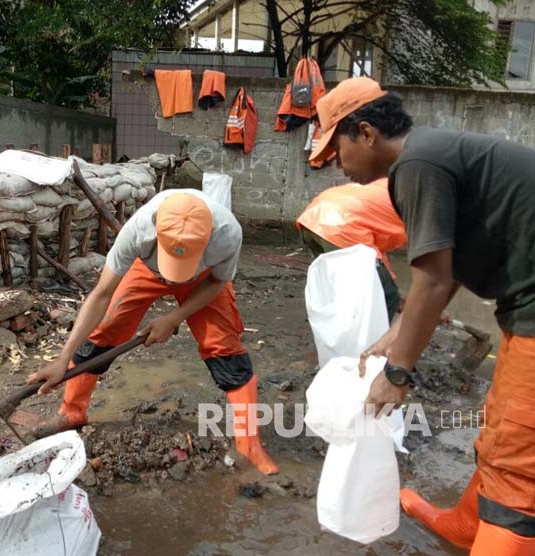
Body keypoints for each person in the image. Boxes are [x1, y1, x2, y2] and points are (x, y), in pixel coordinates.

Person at [309, 76, 535, 554]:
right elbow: (446, 269)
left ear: (366, 133)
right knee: (502, 425)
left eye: (337, 149)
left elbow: (431, 280)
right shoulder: (429, 155)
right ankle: (468, 527)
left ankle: (500, 534)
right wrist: (398, 331)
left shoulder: (416, 166)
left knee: (518, 458)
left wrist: (398, 372)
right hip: (524, 306)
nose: (336, 165)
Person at [26, 189, 278, 475]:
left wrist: (174, 317)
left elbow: (218, 282)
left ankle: (249, 442)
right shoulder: (138, 231)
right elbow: (101, 295)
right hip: (145, 270)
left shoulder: (227, 234)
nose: (173, 276)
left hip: (203, 280)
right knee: (104, 331)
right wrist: (63, 357)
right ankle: (72, 411)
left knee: (224, 348)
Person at [296, 178, 406, 322]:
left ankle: (340, 334)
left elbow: (375, 252)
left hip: (314, 218)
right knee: (386, 294)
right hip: (340, 224)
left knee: (346, 289)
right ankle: (373, 342)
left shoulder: (397, 184)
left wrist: (387, 278)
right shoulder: (424, 205)